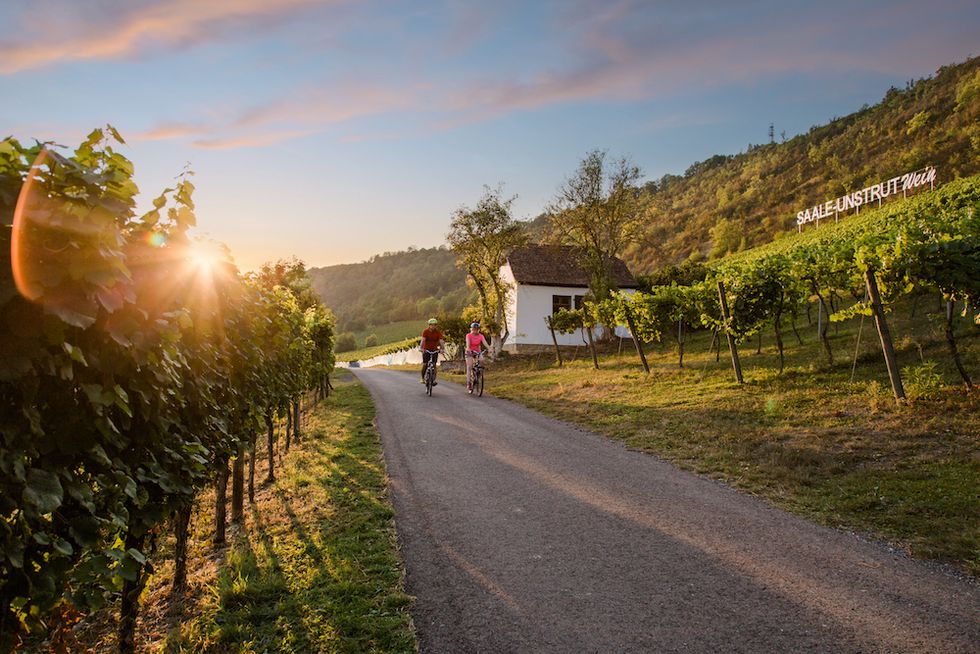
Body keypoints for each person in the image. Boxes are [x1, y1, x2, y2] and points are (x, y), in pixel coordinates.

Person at [464, 322, 490, 393]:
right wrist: (469, 349)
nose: (475, 330)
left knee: (482, 360)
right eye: (474, 329)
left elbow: (485, 342)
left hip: (478, 351)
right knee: (469, 366)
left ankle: (478, 375)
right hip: (469, 352)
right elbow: (468, 344)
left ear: (478, 329)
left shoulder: (481, 336)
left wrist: (489, 348)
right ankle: (469, 383)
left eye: (477, 329)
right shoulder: (468, 335)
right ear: (471, 329)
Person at [419, 318, 445, 384]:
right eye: (432, 325)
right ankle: (422, 378)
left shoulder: (438, 332)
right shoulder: (425, 331)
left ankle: (433, 380)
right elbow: (423, 340)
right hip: (426, 350)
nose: (433, 326)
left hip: (434, 350)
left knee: (434, 365)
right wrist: (421, 348)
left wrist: (442, 349)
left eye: (435, 325)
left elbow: (441, 341)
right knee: (425, 364)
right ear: (429, 325)